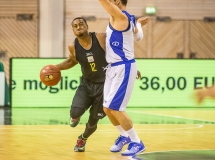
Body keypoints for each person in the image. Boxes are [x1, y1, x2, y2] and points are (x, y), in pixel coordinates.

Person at [81, 0, 146, 157]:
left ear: (117, 2)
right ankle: (124, 136)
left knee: (116, 108)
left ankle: (137, 142)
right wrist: (140, 25)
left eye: (110, 1)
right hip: (113, 68)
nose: (107, 4)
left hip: (123, 68)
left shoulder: (121, 18)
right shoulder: (126, 19)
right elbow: (138, 36)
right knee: (107, 108)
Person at [55, 16, 147, 152]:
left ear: (87, 26)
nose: (79, 26)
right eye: (75, 26)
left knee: (93, 122)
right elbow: (71, 61)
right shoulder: (73, 46)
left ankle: (82, 139)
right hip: (87, 84)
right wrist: (55, 68)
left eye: (81, 24)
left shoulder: (100, 38)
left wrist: (132, 69)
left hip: (104, 86)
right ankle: (76, 116)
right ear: (73, 30)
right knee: (75, 112)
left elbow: (116, 53)